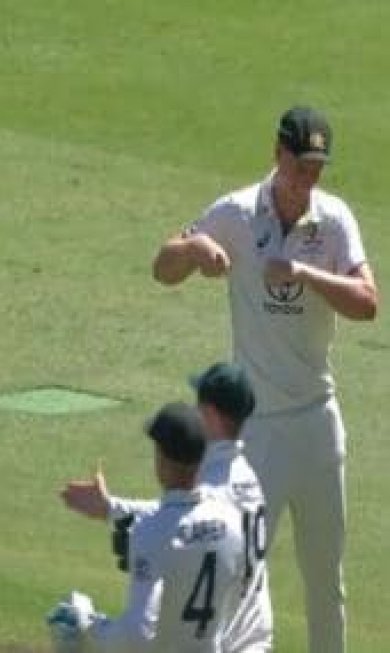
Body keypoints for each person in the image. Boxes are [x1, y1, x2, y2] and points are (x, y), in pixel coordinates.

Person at [152, 106, 378, 652]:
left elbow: (367, 303)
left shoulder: (334, 220)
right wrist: (194, 249)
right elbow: (163, 267)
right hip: (257, 438)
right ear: (277, 156)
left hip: (320, 427)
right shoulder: (233, 212)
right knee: (240, 577)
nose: (308, 180)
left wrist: (304, 272)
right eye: (300, 166)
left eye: (317, 169)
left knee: (326, 582)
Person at [63, 363, 271, 652]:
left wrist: (113, 509)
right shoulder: (243, 473)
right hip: (248, 632)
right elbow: (179, 511)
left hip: (232, 638)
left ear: (209, 415)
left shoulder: (219, 481)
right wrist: (111, 509)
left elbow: (176, 518)